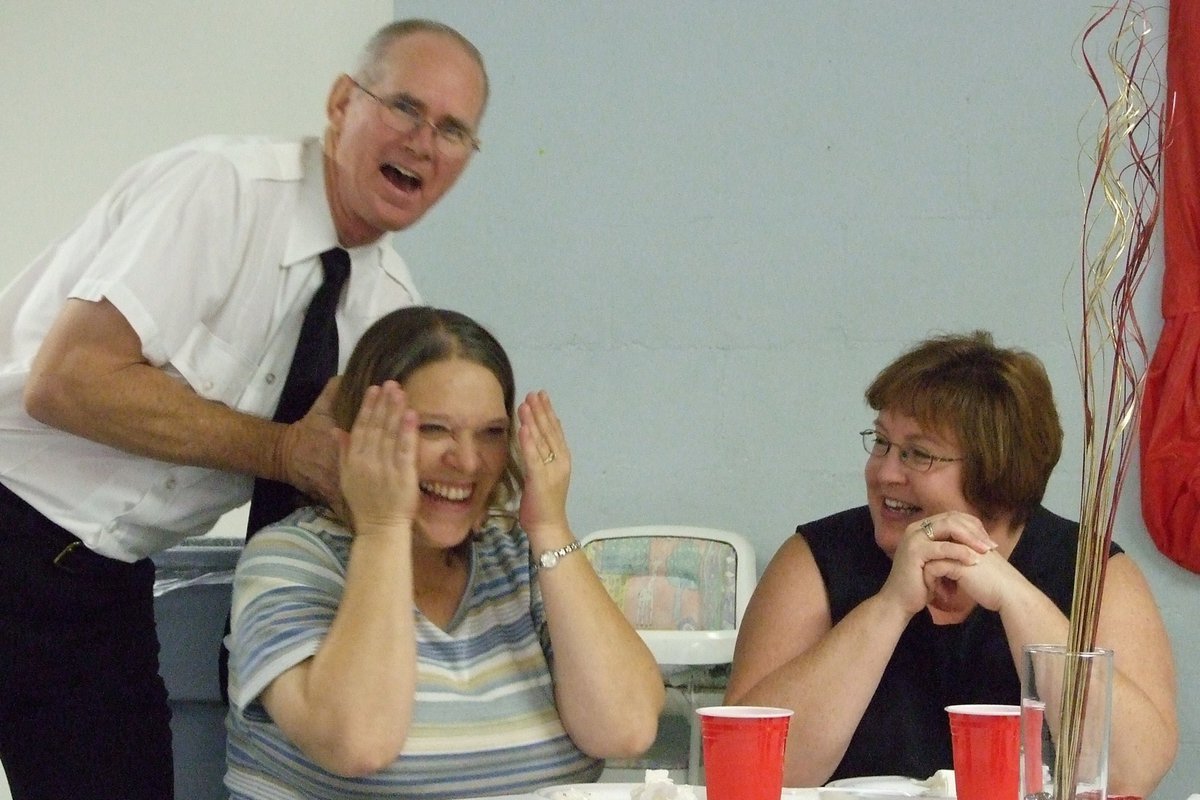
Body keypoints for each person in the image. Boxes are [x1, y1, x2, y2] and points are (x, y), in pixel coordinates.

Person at [0, 19, 488, 800]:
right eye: (404, 108)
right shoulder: (222, 190)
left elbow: (367, 490)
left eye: (454, 130)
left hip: (105, 582)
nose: (425, 142)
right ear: (340, 105)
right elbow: (67, 381)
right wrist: (281, 452)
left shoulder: (390, 313)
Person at [224, 306, 665, 799]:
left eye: (491, 434)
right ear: (358, 437)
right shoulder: (290, 559)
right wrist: (383, 526)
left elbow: (624, 729)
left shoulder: (520, 557)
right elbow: (357, 742)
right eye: (433, 429)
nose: (467, 461)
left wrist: (549, 526)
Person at [724, 331, 1177, 796]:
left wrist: (1014, 596)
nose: (884, 473)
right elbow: (750, 768)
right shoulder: (817, 559)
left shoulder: (1091, 572)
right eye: (881, 443)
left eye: (917, 454)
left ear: (995, 468)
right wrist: (890, 606)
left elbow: (1132, 771)